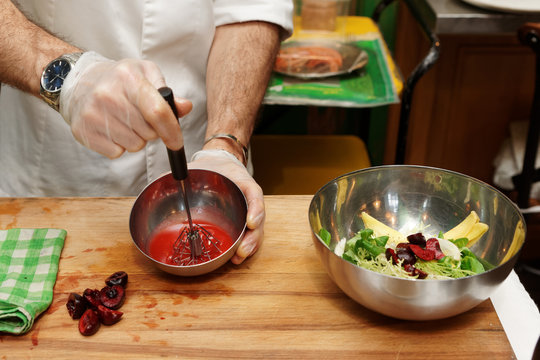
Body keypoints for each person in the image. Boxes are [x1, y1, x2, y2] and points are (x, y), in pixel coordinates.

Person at [0, 0, 293, 264]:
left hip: (204, 147)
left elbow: (251, 10)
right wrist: (70, 76)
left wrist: (226, 142)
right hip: (48, 180)